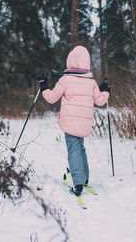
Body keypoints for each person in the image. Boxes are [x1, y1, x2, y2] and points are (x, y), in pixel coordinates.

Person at [36, 46, 110, 196]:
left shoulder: (65, 80)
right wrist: (106, 89)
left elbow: (51, 97)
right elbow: (101, 101)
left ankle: (78, 184)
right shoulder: (91, 82)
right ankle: (84, 178)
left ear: (70, 61)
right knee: (80, 148)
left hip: (70, 123)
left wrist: (43, 84)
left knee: (74, 150)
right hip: (84, 123)